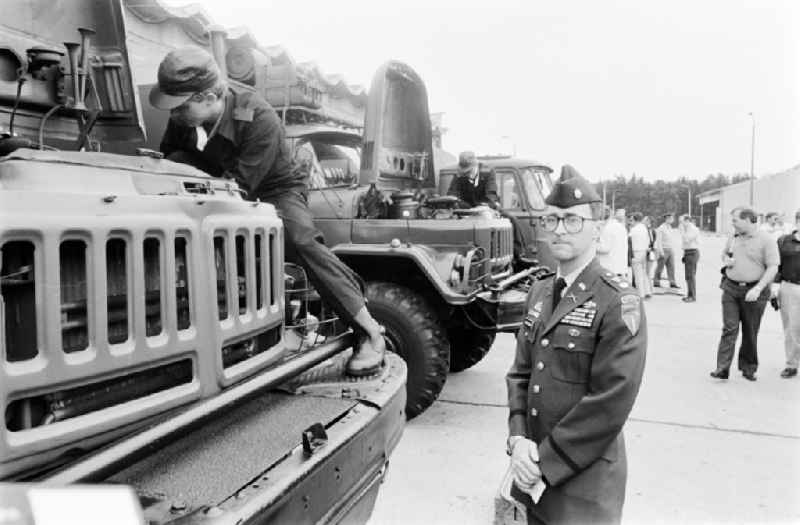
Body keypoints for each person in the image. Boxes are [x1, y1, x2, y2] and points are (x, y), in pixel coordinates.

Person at [148, 46, 385, 376]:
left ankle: (368, 331)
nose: (173, 114)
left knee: (302, 241)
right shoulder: (183, 121)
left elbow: (241, 186)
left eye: (181, 105)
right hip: (219, 185)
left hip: (273, 189)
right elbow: (169, 159)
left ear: (206, 97)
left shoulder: (258, 117)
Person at [505, 165, 646, 525]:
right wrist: (518, 440)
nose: (559, 229)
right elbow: (521, 374)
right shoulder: (538, 292)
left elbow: (611, 400)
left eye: (572, 220)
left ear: (597, 230)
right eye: (551, 220)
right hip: (532, 473)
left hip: (584, 485)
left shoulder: (618, 301)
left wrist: (543, 463)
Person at [711, 207, 779, 381]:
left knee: (750, 331)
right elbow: (724, 254)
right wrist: (726, 259)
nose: (732, 224)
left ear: (748, 220)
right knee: (729, 328)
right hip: (730, 288)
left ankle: (748, 367)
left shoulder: (766, 240)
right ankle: (722, 368)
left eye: (735, 220)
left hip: (755, 290)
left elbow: (773, 267)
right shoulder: (733, 237)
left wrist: (758, 289)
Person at [771, 209, 800, 378]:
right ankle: (792, 363)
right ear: (797, 221)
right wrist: (774, 290)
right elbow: (777, 267)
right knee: (791, 328)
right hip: (790, 288)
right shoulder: (784, 241)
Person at [596, 205, 628, 277]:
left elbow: (604, 248)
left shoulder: (607, 229)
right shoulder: (622, 227)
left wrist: (591, 246)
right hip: (620, 267)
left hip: (609, 267)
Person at [629, 212, 653, 299]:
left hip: (636, 252)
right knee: (644, 273)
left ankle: (640, 294)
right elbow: (648, 240)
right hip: (644, 251)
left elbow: (629, 240)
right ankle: (648, 291)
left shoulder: (634, 229)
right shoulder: (644, 228)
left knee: (638, 274)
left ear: (634, 220)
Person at [653, 214, 680, 289]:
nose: (672, 220)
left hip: (670, 249)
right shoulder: (661, 228)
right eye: (671, 218)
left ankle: (672, 282)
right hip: (663, 249)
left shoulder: (670, 227)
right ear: (666, 219)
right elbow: (658, 241)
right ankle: (656, 281)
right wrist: (660, 251)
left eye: (672, 218)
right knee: (660, 266)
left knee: (671, 266)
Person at [679, 214, 700, 302]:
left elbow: (687, 240)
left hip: (692, 252)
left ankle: (692, 296)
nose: (680, 223)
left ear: (687, 220)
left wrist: (682, 231)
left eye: (682, 221)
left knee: (690, 276)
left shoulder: (693, 229)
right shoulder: (687, 229)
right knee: (688, 276)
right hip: (687, 253)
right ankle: (689, 294)